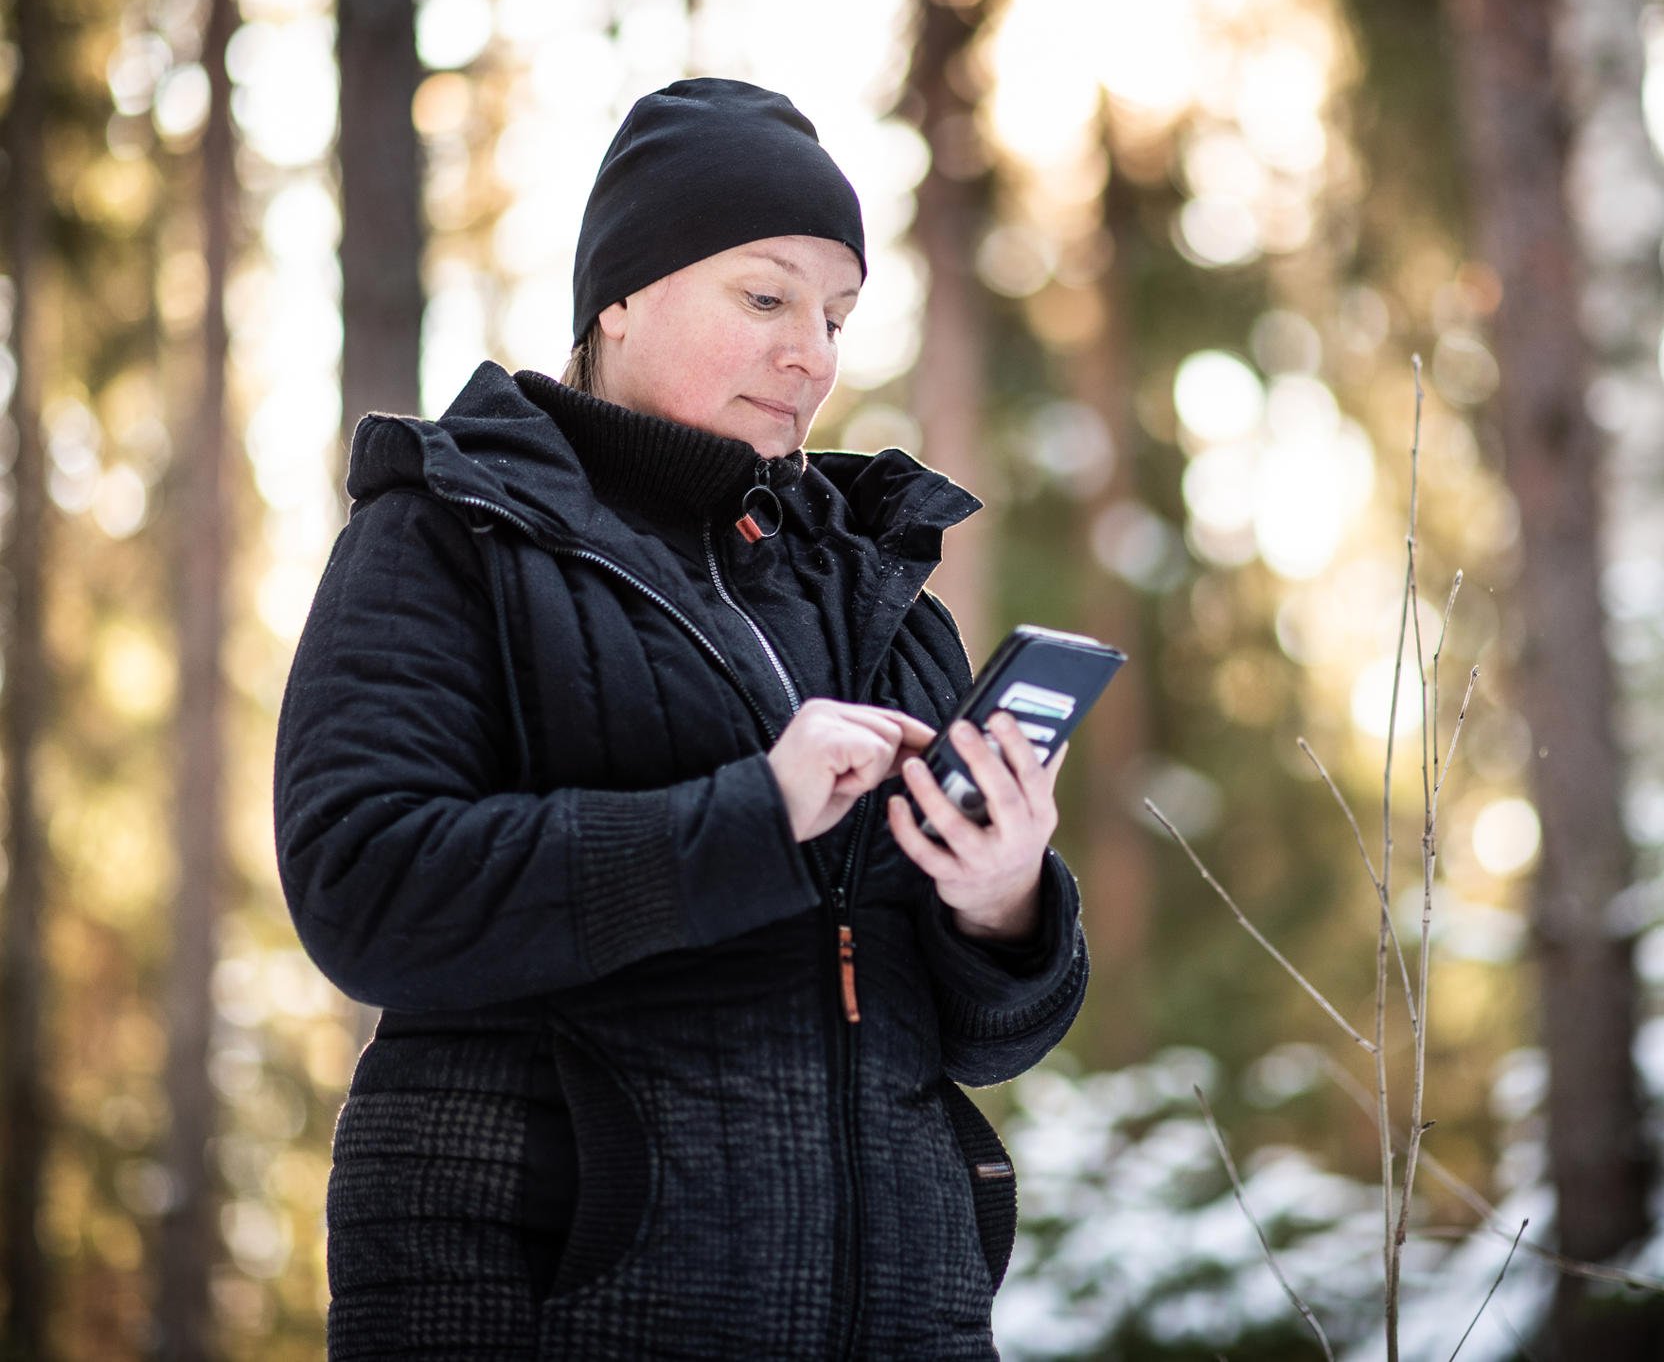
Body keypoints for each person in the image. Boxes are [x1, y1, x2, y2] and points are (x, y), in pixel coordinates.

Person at [273, 78, 1088, 1360]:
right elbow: (365, 891)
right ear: (619, 295)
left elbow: (990, 1038)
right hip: (545, 1308)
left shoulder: (869, 582)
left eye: (835, 313)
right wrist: (749, 817)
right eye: (764, 297)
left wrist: (1002, 902)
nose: (810, 352)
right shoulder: (448, 531)